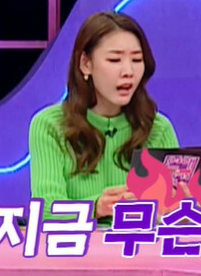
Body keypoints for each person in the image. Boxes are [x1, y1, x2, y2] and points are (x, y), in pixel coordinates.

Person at [29, 12, 179, 221]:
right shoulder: (50, 125)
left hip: (138, 241)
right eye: (114, 60)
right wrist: (96, 207)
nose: (128, 71)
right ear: (86, 64)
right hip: (77, 243)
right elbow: (45, 209)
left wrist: (180, 205)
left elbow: (174, 215)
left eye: (137, 60)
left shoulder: (157, 128)